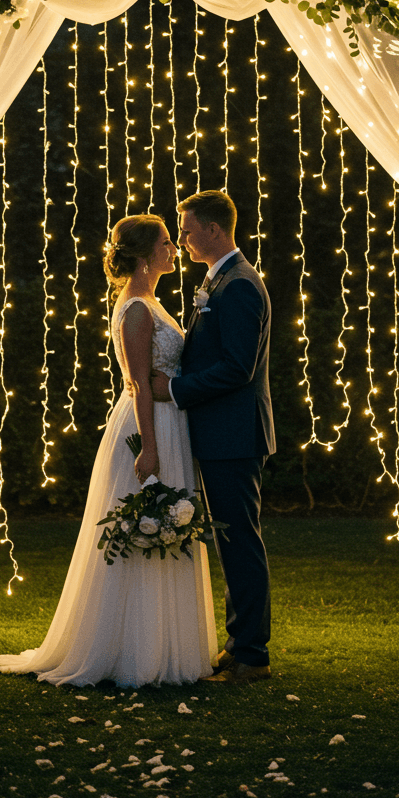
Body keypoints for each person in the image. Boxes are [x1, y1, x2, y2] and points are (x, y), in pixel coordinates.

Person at [0, 214, 216, 687]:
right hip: (146, 427)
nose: (173, 249)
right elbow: (136, 383)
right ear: (143, 253)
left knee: (166, 527)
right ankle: (133, 649)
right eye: (166, 243)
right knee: (145, 529)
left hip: (170, 423)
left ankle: (168, 644)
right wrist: (150, 448)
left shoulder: (151, 300)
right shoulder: (135, 308)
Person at [151, 190, 274, 685]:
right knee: (231, 542)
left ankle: (252, 655)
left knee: (240, 542)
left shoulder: (239, 285)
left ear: (213, 230)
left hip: (234, 435)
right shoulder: (221, 280)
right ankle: (238, 644)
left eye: (186, 229)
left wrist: (175, 389)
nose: (181, 239)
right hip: (222, 434)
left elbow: (237, 368)